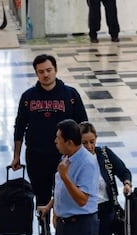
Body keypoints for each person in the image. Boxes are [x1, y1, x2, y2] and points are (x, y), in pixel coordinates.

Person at [11, 55, 89, 209]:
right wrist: (16, 156)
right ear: (36, 73)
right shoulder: (28, 97)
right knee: (41, 198)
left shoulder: (70, 95)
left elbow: (83, 126)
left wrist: (86, 153)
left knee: (66, 195)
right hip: (37, 156)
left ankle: (62, 230)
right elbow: (19, 127)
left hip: (66, 157)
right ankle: (44, 231)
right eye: (41, 72)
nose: (45, 75)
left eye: (49, 70)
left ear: (56, 70)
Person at [79, 122, 132, 235]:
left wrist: (126, 183)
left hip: (106, 209)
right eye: (84, 143)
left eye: (91, 142)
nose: (89, 146)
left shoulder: (104, 154)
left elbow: (123, 170)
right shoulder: (75, 160)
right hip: (86, 212)